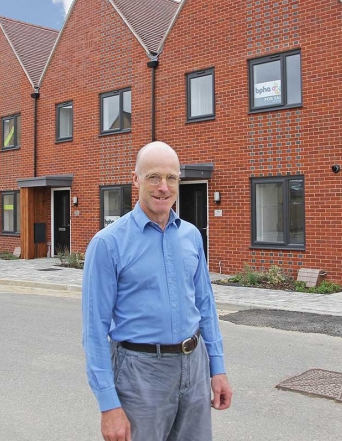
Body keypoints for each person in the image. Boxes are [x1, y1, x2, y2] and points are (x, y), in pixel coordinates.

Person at [82, 141, 233, 441]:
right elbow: (94, 331)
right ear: (135, 180)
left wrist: (218, 368)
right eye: (153, 177)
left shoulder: (191, 236)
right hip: (140, 375)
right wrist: (108, 405)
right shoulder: (108, 244)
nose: (163, 187)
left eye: (171, 178)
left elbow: (205, 306)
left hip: (194, 366)